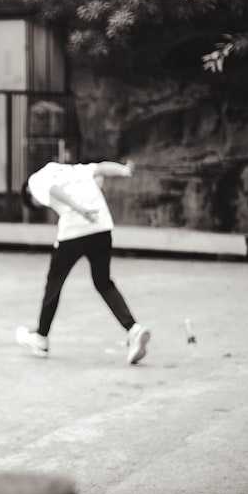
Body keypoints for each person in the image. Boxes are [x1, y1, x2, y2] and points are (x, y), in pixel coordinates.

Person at [16, 148, 151, 364]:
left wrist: (78, 209)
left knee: (54, 283)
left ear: (29, 194)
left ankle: (41, 337)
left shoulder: (36, 180)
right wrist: (124, 170)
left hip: (75, 228)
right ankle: (133, 329)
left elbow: (54, 189)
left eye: (36, 203)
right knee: (103, 282)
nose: (41, 204)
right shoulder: (74, 169)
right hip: (102, 226)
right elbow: (102, 168)